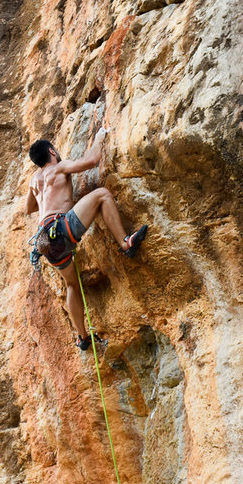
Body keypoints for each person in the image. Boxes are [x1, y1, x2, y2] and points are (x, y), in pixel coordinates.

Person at [25, 128, 148, 350]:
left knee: (71, 283)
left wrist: (49, 199)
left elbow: (29, 208)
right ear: (52, 151)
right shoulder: (58, 167)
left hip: (45, 242)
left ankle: (82, 337)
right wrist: (100, 136)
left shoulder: (35, 180)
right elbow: (92, 160)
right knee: (102, 194)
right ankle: (125, 243)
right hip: (61, 228)